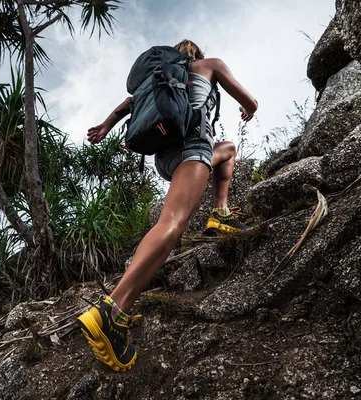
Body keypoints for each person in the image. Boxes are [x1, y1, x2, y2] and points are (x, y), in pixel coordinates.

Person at [76, 39, 258, 372]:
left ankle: (220, 213)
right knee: (172, 222)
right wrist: (250, 109)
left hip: (165, 158)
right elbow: (251, 101)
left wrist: (105, 126)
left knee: (228, 149)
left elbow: (126, 106)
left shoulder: (155, 80)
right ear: (196, 55)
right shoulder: (210, 65)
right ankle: (112, 311)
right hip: (192, 146)